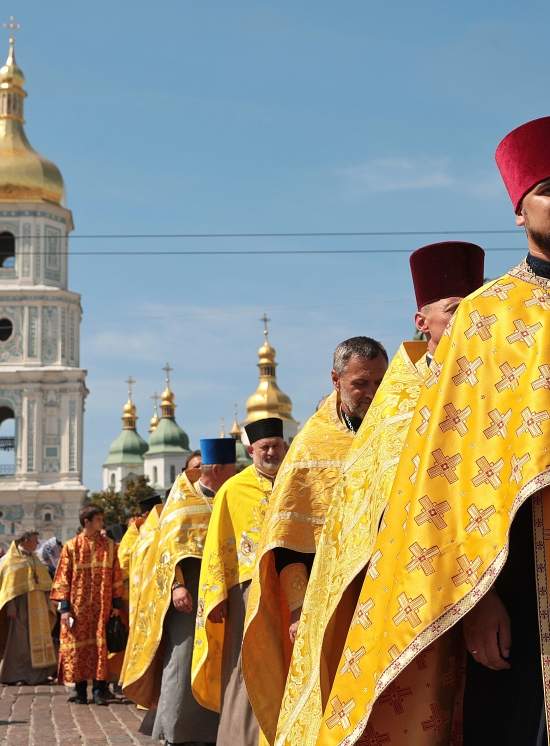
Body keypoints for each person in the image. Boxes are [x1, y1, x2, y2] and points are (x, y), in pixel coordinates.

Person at [312, 115, 550, 746]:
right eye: (549, 187)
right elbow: (444, 478)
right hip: (518, 578)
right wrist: (478, 603)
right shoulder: (486, 318)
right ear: (519, 212)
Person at [275, 241, 485, 745]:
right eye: (455, 310)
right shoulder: (402, 396)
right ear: (422, 320)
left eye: (474, 309)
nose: (468, 321)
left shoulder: (493, 379)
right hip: (406, 589)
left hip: (487, 574)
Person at [241, 337, 388, 741]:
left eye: (380, 382)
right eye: (361, 383)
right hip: (329, 596)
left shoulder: (399, 429)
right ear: (336, 380)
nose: (372, 393)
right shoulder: (310, 446)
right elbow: (289, 541)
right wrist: (296, 608)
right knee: (334, 687)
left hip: (390, 586)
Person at [122, 438, 236, 746]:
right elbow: (166, 551)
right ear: (213, 470)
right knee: (182, 660)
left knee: (219, 658)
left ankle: (214, 730)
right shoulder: (181, 503)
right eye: (198, 468)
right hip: (188, 594)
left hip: (224, 592)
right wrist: (177, 586)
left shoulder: (231, 498)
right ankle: (175, 731)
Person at [192, 417, 287, 746]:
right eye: (264, 447)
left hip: (292, 587)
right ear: (251, 450)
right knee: (246, 666)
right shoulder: (232, 490)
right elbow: (216, 549)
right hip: (247, 593)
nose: (271, 452)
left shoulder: (297, 481)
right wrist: (215, 599)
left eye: (277, 445)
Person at [51, 505, 124, 705]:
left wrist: (116, 604)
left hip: (102, 607)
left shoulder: (109, 546)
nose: (102, 523)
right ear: (87, 522)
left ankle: (100, 691)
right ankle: (81, 691)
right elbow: (63, 578)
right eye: (99, 519)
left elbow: (116, 575)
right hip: (78, 608)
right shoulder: (71, 546)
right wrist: (64, 608)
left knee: (100, 647)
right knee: (78, 648)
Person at [0, 530, 56, 685]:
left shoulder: (35, 559)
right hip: (20, 606)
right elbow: (7, 586)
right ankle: (16, 676)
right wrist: (10, 605)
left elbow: (44, 581)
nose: (38, 544)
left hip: (38, 605)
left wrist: (48, 601)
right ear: (25, 540)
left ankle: (39, 675)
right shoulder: (10, 560)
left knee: (39, 640)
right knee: (20, 642)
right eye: (35, 540)